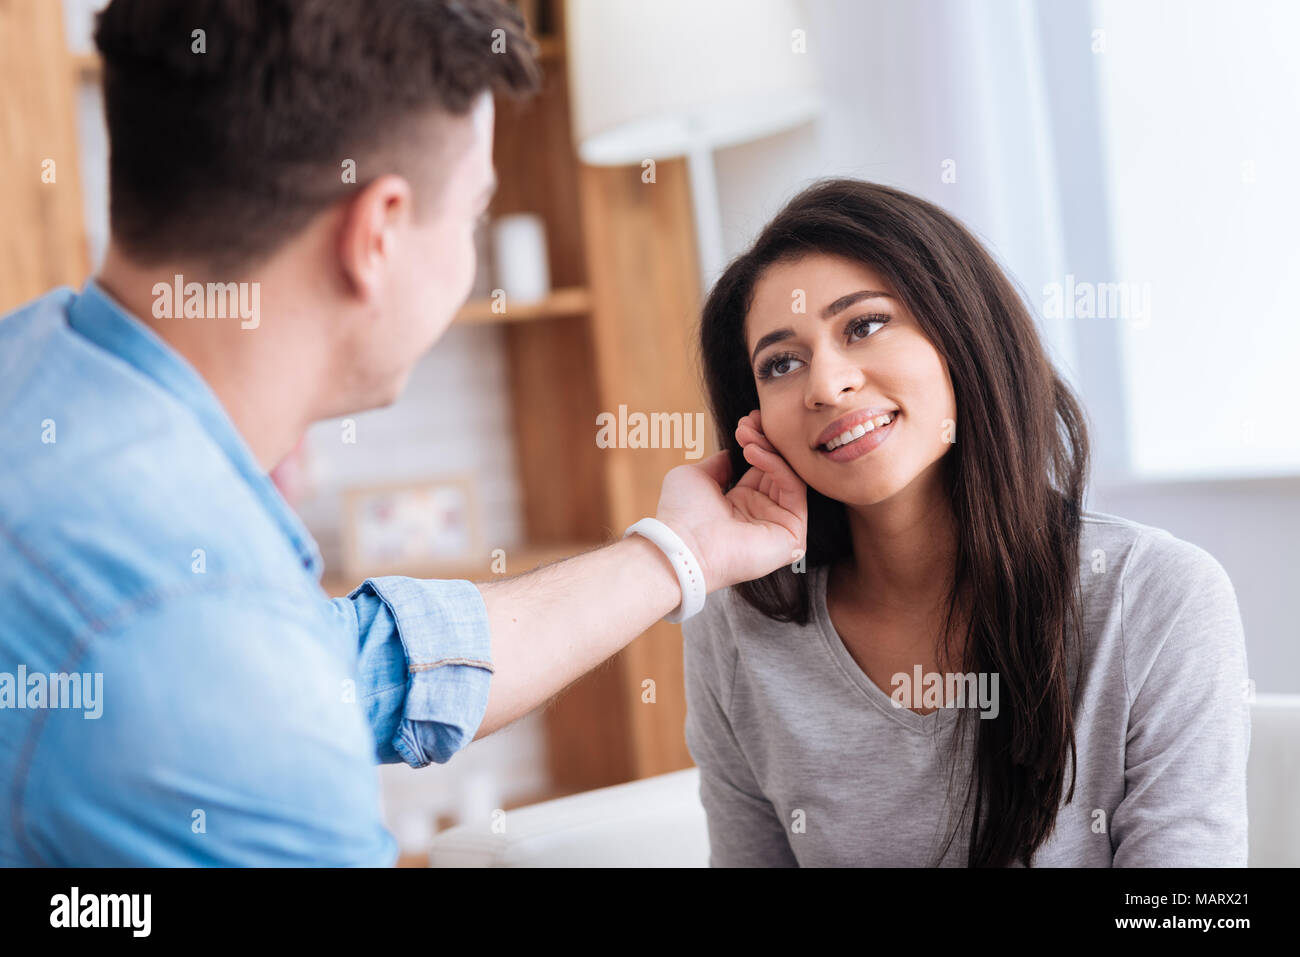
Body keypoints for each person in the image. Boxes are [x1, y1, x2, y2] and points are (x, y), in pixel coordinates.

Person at [0, 0, 807, 865]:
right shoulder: (200, 640)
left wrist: (679, 553)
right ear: (377, 233)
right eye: (471, 217)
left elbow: (360, 664)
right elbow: (244, 667)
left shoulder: (36, 360)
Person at [685, 178, 1251, 867]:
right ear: (756, 421)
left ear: (961, 332)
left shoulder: (1159, 597)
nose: (826, 385)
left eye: (864, 324)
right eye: (781, 363)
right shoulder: (739, 631)